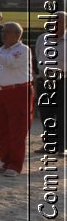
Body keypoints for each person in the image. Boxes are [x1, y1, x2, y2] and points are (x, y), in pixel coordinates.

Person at [0, 21, 34, 177]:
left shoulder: (23, 50)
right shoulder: (0, 50)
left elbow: (10, 63)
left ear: (17, 35)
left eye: (7, 32)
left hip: (18, 92)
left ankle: (15, 164)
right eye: (3, 31)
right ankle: (6, 161)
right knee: (2, 129)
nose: (3, 34)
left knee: (17, 130)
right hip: (1, 92)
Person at [36, 12, 64, 156]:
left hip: (63, 81)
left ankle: (62, 146)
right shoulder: (42, 38)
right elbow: (38, 56)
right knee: (46, 114)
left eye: (58, 21)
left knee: (63, 114)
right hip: (45, 81)